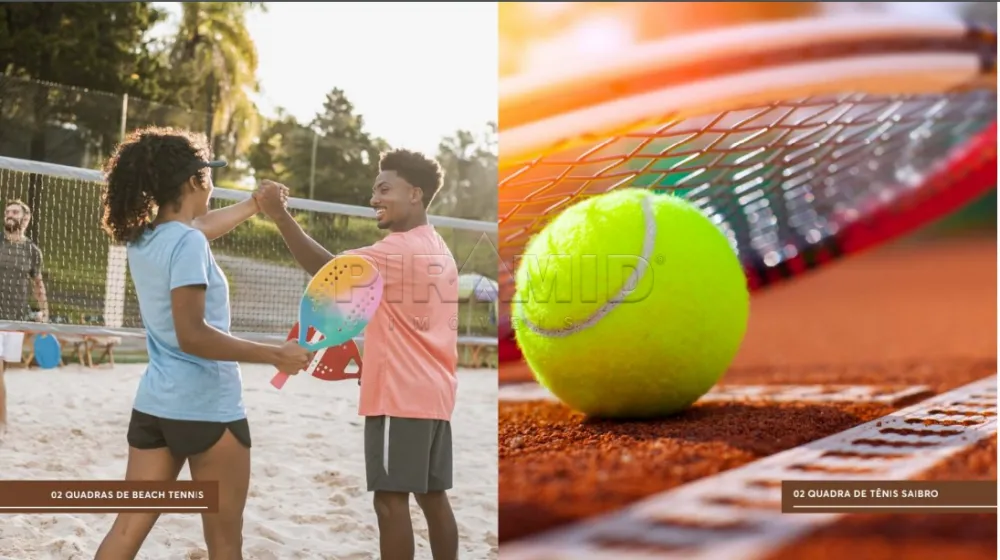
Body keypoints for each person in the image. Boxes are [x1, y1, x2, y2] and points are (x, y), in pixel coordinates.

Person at [94, 126, 313, 560]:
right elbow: (192, 335)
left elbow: (198, 227)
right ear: (196, 180)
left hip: (156, 405)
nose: (212, 182)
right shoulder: (188, 243)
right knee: (225, 540)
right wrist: (275, 355)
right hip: (207, 409)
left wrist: (254, 205)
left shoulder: (145, 237)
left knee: (125, 533)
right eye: (209, 174)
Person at [256, 149, 460, 560]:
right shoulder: (439, 246)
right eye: (374, 191)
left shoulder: (396, 249)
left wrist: (279, 215)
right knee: (433, 498)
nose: (374, 199)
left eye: (384, 189)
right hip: (436, 396)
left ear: (415, 193)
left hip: (398, 396)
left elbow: (328, 271)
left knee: (389, 502)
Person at [0, 199, 49, 441]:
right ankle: (2, 422)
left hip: (14, 321)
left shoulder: (32, 251)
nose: (9, 214)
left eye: (14, 212)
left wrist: (44, 312)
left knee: (3, 371)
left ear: (26, 219)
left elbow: (37, 284)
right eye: (7, 211)